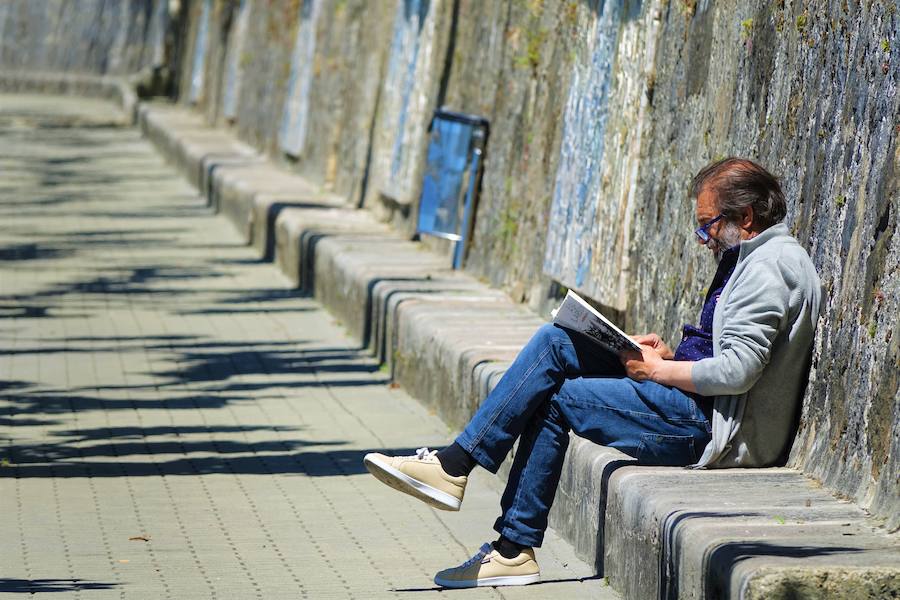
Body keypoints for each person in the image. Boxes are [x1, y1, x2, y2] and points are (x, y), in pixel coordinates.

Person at [363, 158, 822, 589]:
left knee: (556, 397)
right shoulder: (751, 255)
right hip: (698, 404)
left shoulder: (768, 268)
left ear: (744, 216)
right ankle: (461, 476)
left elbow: (738, 371)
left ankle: (503, 535)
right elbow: (724, 350)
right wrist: (666, 355)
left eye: (708, 225)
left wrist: (659, 372)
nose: (704, 239)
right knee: (555, 342)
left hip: (709, 427)